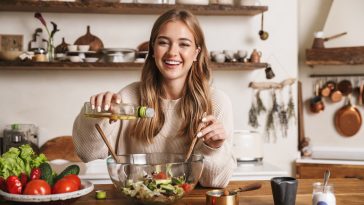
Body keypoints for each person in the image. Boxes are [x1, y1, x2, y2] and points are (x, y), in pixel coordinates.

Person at [72, 8, 236, 188]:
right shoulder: (128, 98)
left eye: (184, 44)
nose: (172, 52)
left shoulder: (216, 103)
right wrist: (96, 113)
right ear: (152, 49)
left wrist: (213, 148)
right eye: (164, 42)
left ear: (196, 53)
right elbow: (87, 153)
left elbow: (214, 182)